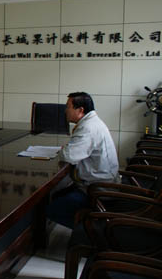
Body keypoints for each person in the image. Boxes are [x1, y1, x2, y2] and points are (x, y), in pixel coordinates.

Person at [46, 92, 119, 228]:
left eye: (68, 107)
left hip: (99, 190)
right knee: (57, 195)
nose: (65, 111)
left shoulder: (88, 128)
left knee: (52, 208)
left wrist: (65, 150)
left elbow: (68, 156)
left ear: (80, 110)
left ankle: (89, 231)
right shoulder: (91, 122)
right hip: (98, 183)